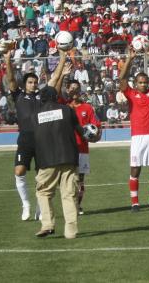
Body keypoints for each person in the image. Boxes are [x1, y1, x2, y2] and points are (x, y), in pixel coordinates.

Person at [5, 47, 69, 221]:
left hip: (43, 140)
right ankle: (26, 204)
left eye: (35, 82)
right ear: (25, 84)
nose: (33, 85)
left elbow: (55, 78)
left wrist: (63, 57)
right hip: (25, 139)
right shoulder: (18, 96)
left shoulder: (43, 95)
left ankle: (41, 208)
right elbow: (10, 78)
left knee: (44, 176)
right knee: (19, 171)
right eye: (30, 82)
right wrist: (7, 60)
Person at [119, 45, 149, 212]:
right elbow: (122, 80)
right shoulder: (131, 94)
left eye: (146, 82)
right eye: (140, 82)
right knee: (135, 169)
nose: (144, 84)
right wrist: (129, 60)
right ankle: (135, 204)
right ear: (136, 84)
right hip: (138, 137)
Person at [32, 86, 83, 239]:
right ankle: (71, 232)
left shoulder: (35, 115)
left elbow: (32, 138)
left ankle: (47, 224)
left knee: (43, 192)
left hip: (46, 160)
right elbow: (81, 130)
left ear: (41, 98)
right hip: (68, 157)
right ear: (56, 97)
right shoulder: (67, 110)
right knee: (69, 194)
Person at [59, 79, 101, 214]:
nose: (75, 91)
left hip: (82, 149)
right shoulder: (63, 106)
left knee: (80, 180)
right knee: (67, 179)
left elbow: (96, 128)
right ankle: (69, 205)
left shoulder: (87, 108)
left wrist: (96, 137)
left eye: (77, 88)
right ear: (67, 90)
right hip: (66, 148)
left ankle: (77, 205)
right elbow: (56, 91)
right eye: (72, 88)